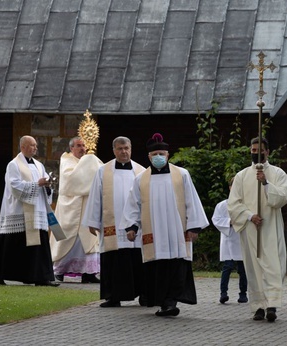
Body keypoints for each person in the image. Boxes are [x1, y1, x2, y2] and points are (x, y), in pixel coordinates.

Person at [122, 133, 209, 317]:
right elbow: (133, 205)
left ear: (168, 155)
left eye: (161, 153)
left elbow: (191, 201)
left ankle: (171, 302)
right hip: (154, 232)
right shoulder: (140, 179)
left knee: (177, 266)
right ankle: (163, 303)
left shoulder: (181, 175)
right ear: (149, 157)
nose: (158, 157)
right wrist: (132, 226)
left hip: (177, 230)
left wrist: (193, 227)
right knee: (157, 268)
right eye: (155, 155)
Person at [227, 137, 287, 322]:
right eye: (253, 149)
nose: (255, 153)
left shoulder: (278, 174)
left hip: (271, 227)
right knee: (254, 268)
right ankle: (258, 307)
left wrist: (265, 183)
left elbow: (284, 197)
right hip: (251, 229)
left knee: (273, 266)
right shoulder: (241, 176)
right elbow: (233, 204)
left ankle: (271, 305)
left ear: (267, 152)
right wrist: (249, 216)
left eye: (259, 150)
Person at [0, 136, 58, 286]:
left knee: (38, 245)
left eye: (36, 145)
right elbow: (14, 186)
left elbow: (42, 185)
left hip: (37, 210)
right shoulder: (13, 165)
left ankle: (40, 277)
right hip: (19, 210)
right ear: (23, 146)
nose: (35, 148)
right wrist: (37, 183)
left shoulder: (39, 165)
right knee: (10, 243)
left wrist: (48, 185)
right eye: (32, 145)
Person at [82, 136, 147, 307]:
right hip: (112, 224)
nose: (123, 151)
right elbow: (95, 197)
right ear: (114, 150)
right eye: (120, 148)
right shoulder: (103, 171)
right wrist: (93, 221)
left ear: (131, 148)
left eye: (126, 148)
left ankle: (144, 294)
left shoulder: (141, 171)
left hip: (136, 225)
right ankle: (113, 296)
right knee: (113, 259)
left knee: (138, 259)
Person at [50, 137, 103, 283]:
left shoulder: (91, 159)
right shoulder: (67, 160)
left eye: (84, 145)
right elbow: (70, 181)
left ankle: (89, 272)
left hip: (86, 206)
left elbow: (100, 176)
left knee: (87, 239)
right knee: (66, 239)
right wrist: (89, 164)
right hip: (70, 208)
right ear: (71, 148)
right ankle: (59, 271)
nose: (82, 148)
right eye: (78, 146)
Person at [212, 176, 247, 304]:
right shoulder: (222, 205)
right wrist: (229, 222)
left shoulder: (245, 205)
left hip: (241, 239)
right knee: (227, 267)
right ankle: (223, 293)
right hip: (228, 239)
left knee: (242, 269)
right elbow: (216, 219)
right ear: (230, 187)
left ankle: (243, 294)